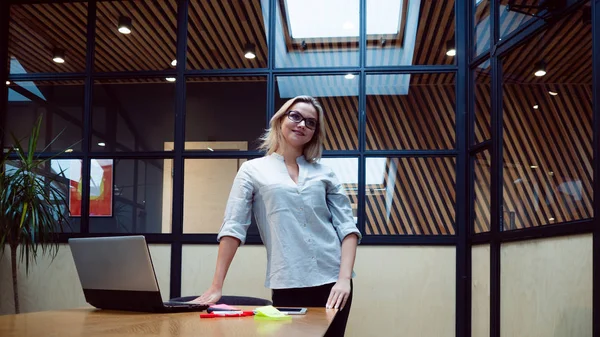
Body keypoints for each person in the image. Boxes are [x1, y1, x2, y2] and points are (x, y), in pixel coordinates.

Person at [194, 95, 361, 336]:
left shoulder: (325, 173)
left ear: (315, 132)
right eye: (295, 116)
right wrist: (216, 286)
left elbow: (347, 228)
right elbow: (233, 227)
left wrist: (344, 279)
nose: (302, 124)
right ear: (280, 120)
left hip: (334, 281)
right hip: (287, 282)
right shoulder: (253, 170)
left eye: (311, 122)